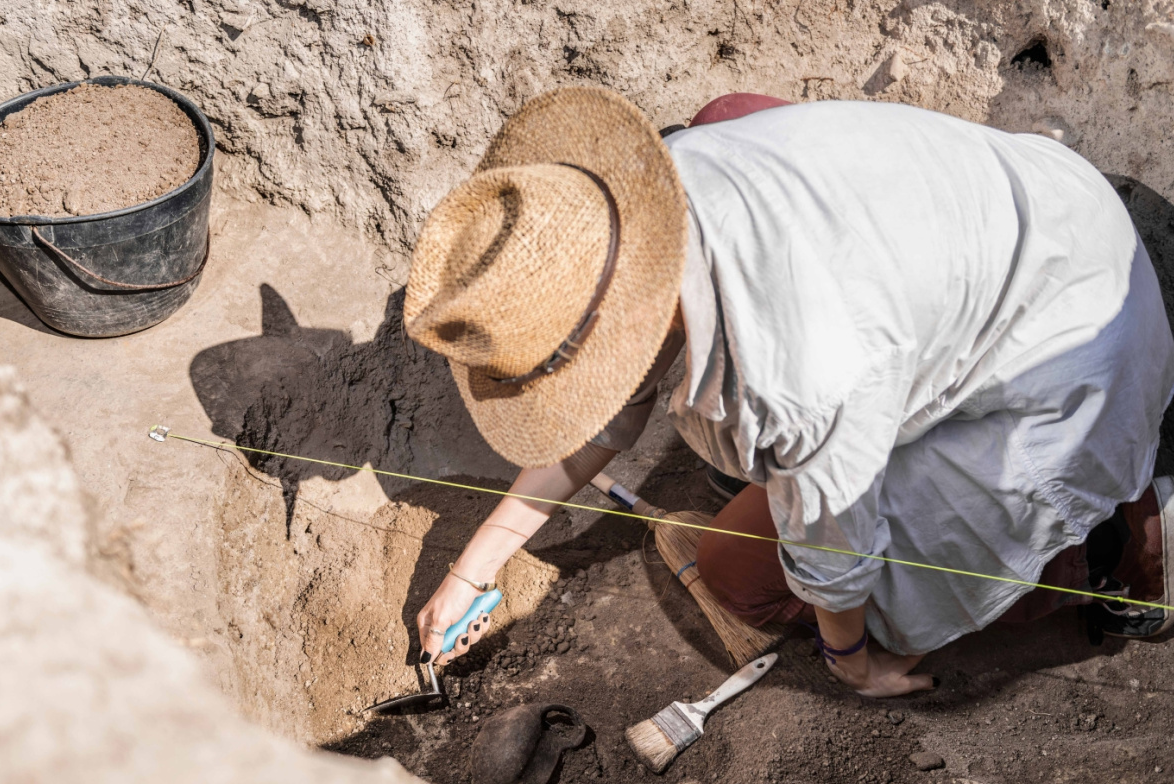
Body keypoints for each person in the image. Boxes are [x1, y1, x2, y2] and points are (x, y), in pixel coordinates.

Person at [401, 87, 1174, 698]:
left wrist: (854, 663)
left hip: (1075, 363)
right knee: (730, 112)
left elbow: (835, 554)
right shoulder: (663, 183)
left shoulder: (794, 378)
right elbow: (605, 417)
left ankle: (1122, 543)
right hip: (1039, 206)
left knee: (738, 573)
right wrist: (473, 569)